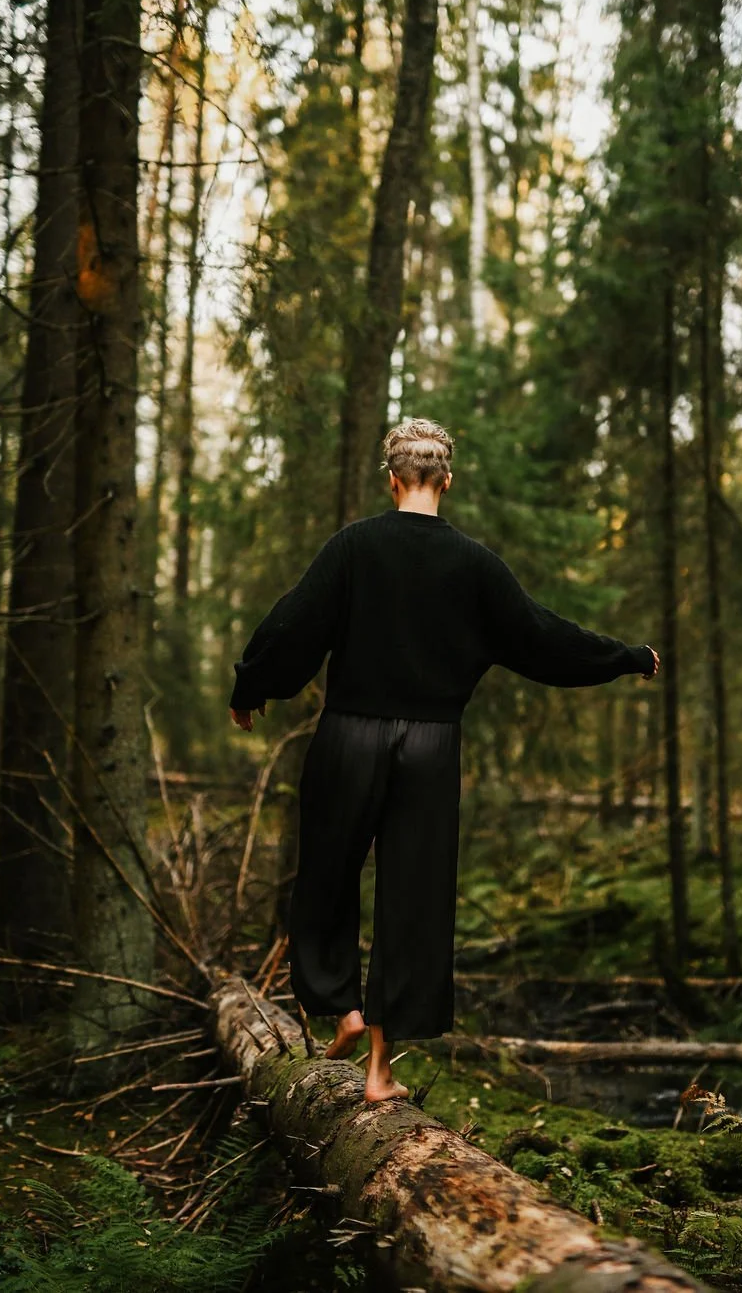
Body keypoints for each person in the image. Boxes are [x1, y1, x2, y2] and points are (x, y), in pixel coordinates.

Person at [229, 418, 659, 1102]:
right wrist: (629, 656)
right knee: (412, 900)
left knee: (326, 875)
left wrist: (250, 686)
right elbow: (544, 637)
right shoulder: (476, 565)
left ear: (393, 479)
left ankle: (341, 1009)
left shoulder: (354, 547)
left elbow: (292, 623)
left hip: (347, 736)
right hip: (428, 747)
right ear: (446, 481)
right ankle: (377, 1069)